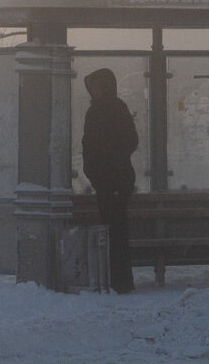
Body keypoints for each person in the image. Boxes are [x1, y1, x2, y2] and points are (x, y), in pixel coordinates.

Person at [81, 67, 138, 294]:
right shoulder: (117, 108)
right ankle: (120, 279)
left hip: (110, 180)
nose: (93, 91)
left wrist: (98, 167)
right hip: (117, 179)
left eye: (95, 86)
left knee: (114, 230)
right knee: (117, 230)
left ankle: (116, 279)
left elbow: (90, 146)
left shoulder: (97, 112)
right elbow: (131, 140)